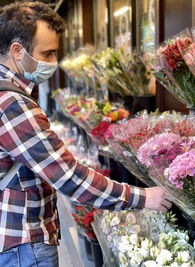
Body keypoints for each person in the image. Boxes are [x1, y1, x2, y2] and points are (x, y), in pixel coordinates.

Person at [0, 1, 172, 266]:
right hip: (23, 245)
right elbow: (68, 176)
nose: (54, 63)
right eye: (47, 53)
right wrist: (143, 197)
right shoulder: (13, 104)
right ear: (17, 50)